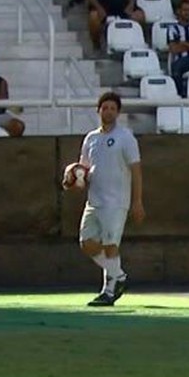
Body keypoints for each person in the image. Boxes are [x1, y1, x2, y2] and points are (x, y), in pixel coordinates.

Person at [64, 92, 145, 307]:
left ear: (117, 112)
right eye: (105, 107)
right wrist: (74, 177)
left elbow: (136, 170)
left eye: (112, 108)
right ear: (98, 110)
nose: (108, 111)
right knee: (86, 243)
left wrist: (137, 202)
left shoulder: (125, 137)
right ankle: (119, 276)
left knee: (110, 245)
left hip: (116, 201)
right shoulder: (91, 138)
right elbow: (85, 168)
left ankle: (109, 291)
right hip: (94, 200)